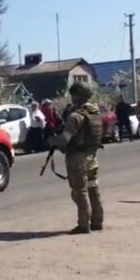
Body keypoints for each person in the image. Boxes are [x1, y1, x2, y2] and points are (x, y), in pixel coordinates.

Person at [49, 83, 104, 234]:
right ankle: (97, 221)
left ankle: (83, 224)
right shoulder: (95, 113)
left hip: (78, 159)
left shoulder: (76, 116)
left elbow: (64, 140)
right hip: (93, 158)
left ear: (77, 96)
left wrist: (52, 140)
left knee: (80, 191)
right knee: (93, 189)